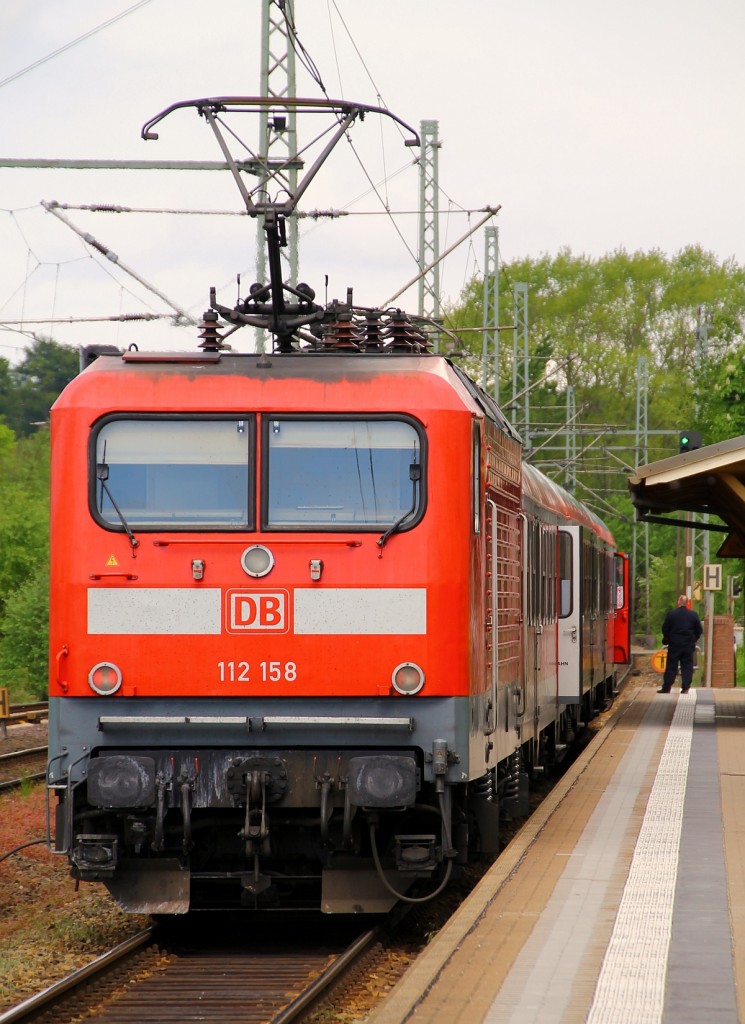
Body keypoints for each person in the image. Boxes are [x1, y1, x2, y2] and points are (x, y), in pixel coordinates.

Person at [658, 594, 703, 694]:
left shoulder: (671, 614)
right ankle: (686, 687)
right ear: (687, 603)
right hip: (688, 645)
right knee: (687, 665)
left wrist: (667, 638)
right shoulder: (693, 615)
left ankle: (667, 687)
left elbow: (665, 628)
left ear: (679, 602)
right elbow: (699, 630)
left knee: (671, 665)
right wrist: (694, 638)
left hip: (674, 644)